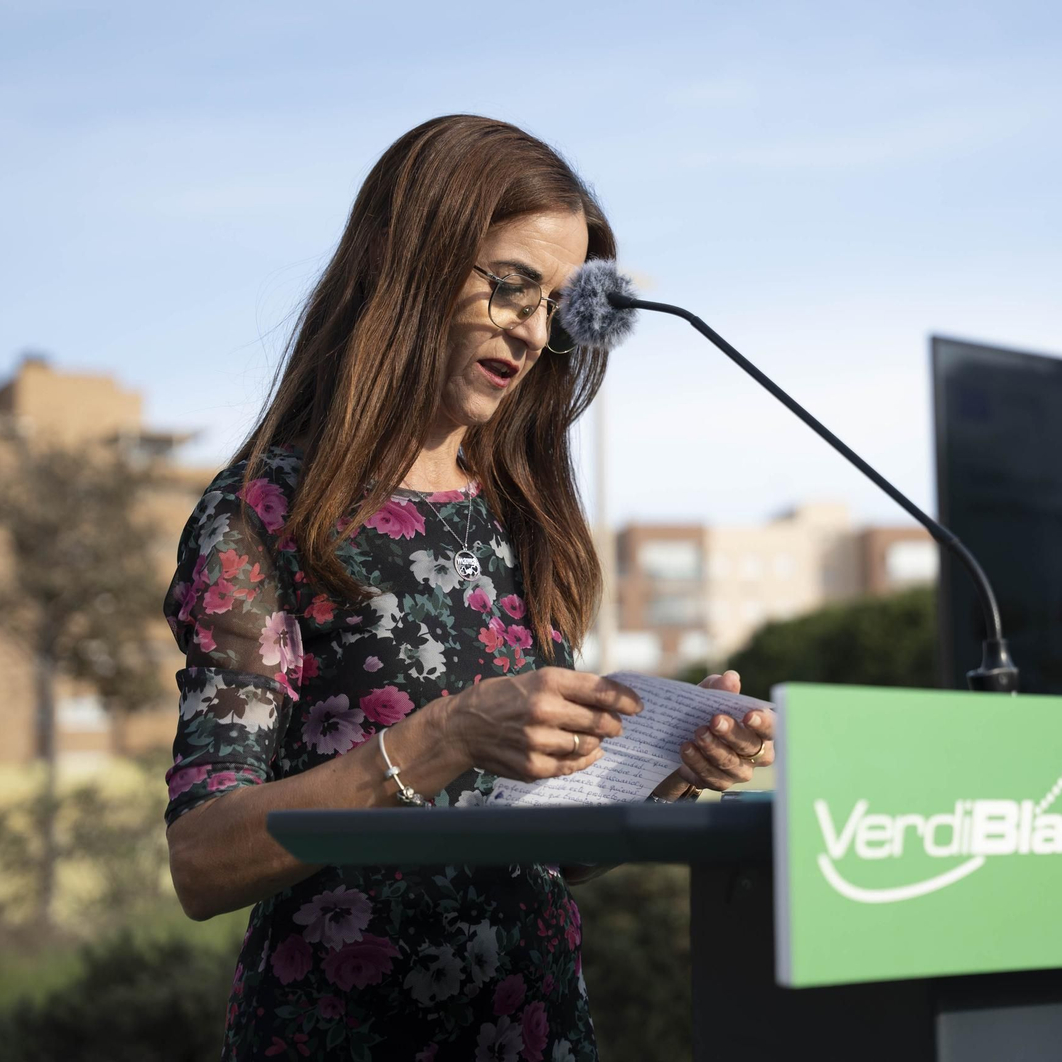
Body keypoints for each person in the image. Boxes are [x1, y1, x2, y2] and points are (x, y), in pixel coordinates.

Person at [162, 114, 776, 1062]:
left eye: (557, 305)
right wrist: (442, 738)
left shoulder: (523, 513)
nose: (532, 331)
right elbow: (203, 859)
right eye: (510, 286)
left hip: (536, 1029)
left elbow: (560, 854)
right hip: (345, 1035)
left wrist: (673, 770)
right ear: (408, 264)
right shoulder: (265, 516)